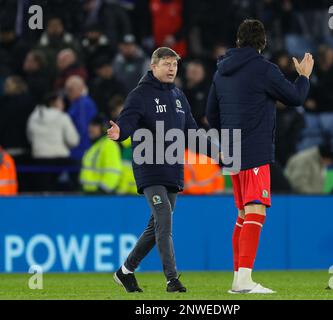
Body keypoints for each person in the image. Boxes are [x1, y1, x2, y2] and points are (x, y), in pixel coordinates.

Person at [206, 19, 313, 294]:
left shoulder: (221, 72)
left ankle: (238, 279)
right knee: (256, 210)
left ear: (238, 40)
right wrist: (304, 77)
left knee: (243, 213)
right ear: (262, 42)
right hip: (254, 149)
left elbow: (212, 114)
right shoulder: (264, 69)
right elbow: (294, 98)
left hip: (231, 151)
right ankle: (244, 280)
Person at [107, 47, 201, 293]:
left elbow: (192, 132)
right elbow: (127, 121)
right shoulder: (140, 95)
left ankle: (125, 271)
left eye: (175, 65)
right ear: (153, 66)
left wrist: (218, 152)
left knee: (155, 227)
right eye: (167, 64)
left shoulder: (179, 96)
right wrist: (120, 133)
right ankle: (172, 279)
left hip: (172, 168)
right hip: (149, 167)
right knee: (164, 219)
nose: (172, 69)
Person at [26, 92, 79, 192]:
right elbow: (73, 140)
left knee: (43, 191)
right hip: (59, 161)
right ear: (53, 103)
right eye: (61, 102)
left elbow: (30, 138)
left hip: (39, 160)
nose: (63, 105)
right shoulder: (62, 117)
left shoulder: (33, 117)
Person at [65, 75, 97, 161]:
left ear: (80, 88)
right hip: (76, 149)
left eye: (71, 89)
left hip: (81, 151)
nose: (68, 93)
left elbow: (83, 128)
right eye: (67, 90)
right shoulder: (76, 103)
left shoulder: (83, 104)